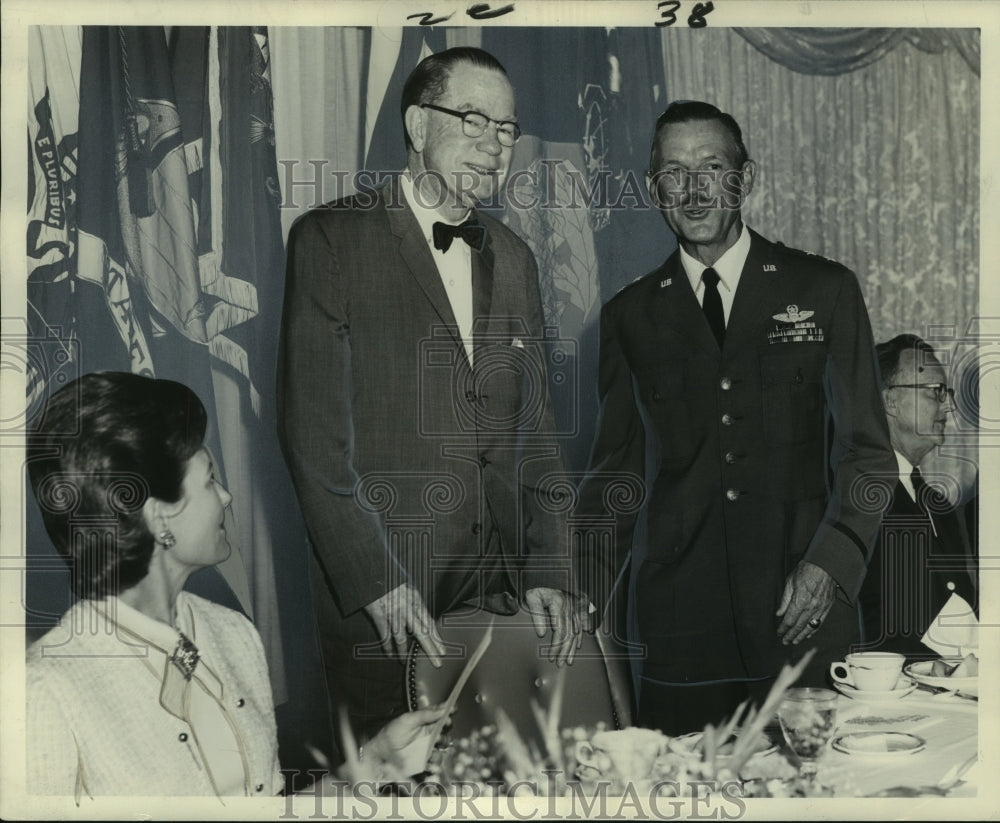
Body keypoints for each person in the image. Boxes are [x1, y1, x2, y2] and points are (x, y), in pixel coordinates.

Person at [277, 47, 585, 749]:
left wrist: (547, 565)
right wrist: (374, 580)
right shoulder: (330, 239)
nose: (494, 143)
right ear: (418, 124)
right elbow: (313, 442)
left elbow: (534, 433)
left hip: (497, 592)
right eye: (473, 118)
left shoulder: (516, 257)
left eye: (507, 128)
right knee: (392, 784)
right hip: (385, 595)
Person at [576, 101, 895, 735]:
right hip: (680, 636)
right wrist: (576, 593)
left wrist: (830, 564)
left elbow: (868, 455)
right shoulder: (628, 317)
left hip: (800, 620)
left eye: (712, 167)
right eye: (673, 173)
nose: (693, 190)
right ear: (653, 189)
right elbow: (617, 475)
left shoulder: (823, 290)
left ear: (745, 180)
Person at [25, 372, 446, 800]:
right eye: (209, 479)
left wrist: (374, 762)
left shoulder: (234, 634)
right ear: (159, 518)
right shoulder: (47, 693)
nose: (225, 497)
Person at [858, 335, 977, 657]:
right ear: (889, 401)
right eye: (935, 392)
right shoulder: (853, 500)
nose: (948, 405)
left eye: (946, 393)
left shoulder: (936, 503)